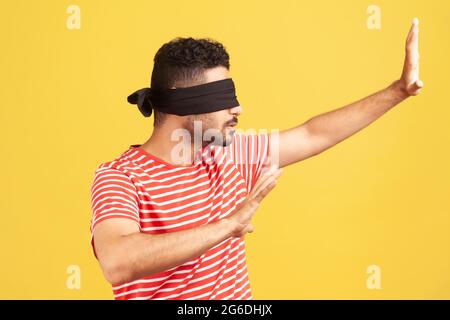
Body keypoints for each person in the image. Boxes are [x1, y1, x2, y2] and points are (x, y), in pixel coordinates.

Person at [90, 19, 423, 300]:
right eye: (224, 98)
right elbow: (118, 261)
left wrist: (398, 91)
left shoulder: (229, 154)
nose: (238, 109)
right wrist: (229, 226)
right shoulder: (120, 178)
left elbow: (313, 134)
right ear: (184, 106)